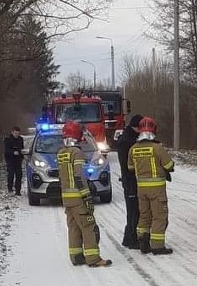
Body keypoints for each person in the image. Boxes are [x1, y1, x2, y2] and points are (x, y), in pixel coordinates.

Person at [57, 121, 112, 268]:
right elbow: (79, 176)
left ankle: (76, 256)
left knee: (74, 227)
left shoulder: (61, 153)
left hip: (66, 197)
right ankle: (93, 258)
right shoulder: (77, 152)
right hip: (77, 196)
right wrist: (86, 195)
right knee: (88, 226)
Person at [128, 116, 174, 255]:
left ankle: (143, 240)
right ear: (154, 130)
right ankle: (157, 246)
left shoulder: (133, 149)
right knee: (159, 216)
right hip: (157, 190)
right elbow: (169, 165)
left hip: (141, 189)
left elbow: (130, 167)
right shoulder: (157, 148)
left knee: (144, 216)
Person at [115, 112, 143, 248]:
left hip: (131, 180)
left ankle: (129, 238)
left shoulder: (129, 138)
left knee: (135, 210)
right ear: (136, 127)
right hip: (131, 180)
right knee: (133, 210)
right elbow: (128, 165)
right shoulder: (127, 141)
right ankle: (132, 239)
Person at [3, 126, 24, 195]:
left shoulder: (20, 139)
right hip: (10, 160)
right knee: (11, 175)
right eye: (15, 133)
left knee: (19, 175)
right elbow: (6, 150)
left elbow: (22, 149)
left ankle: (18, 190)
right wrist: (13, 152)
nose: (16, 135)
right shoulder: (8, 139)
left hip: (18, 160)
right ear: (12, 132)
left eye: (18, 133)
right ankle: (10, 189)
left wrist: (22, 155)